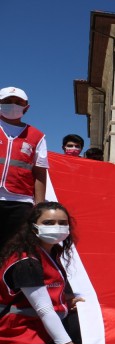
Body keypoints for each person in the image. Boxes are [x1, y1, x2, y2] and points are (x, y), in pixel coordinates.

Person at [0, 202, 93, 344]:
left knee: (90, 329)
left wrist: (64, 301)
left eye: (62, 223)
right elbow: (44, 309)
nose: (57, 227)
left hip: (43, 327)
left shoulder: (50, 252)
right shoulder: (26, 262)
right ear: (33, 227)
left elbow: (46, 292)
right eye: (48, 223)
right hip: (17, 334)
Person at [0, 87, 48, 248]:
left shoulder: (37, 136)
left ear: (26, 107)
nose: (13, 105)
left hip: (21, 202)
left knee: (14, 249)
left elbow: (40, 172)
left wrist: (39, 206)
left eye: (18, 102)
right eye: (7, 101)